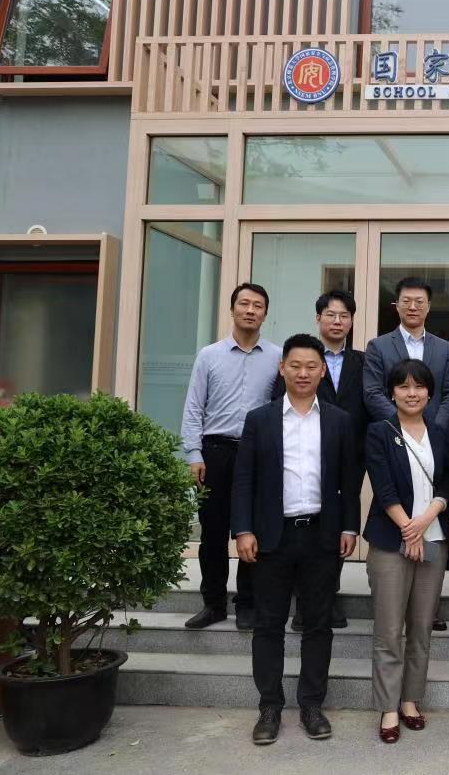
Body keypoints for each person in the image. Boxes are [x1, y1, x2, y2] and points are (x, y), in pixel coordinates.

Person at [231, 333, 360, 745]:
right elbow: (244, 479)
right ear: (282, 368)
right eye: (295, 366)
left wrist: (349, 527)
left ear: (322, 372)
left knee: (318, 625)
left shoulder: (339, 420)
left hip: (322, 536)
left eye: (311, 367)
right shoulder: (260, 419)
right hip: (272, 537)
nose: (303, 373)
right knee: (268, 625)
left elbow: (349, 481)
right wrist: (243, 529)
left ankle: (311, 705)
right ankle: (269, 707)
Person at [181, 283, 281, 631]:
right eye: (244, 304)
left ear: (265, 314)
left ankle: (247, 602)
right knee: (213, 530)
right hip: (215, 451)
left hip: (257, 453)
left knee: (253, 527)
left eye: (258, 305)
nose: (250, 310)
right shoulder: (209, 355)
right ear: (232, 308)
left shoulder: (277, 357)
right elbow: (194, 407)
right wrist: (194, 453)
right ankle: (213, 603)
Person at [363, 359, 449, 744]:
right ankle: (388, 707)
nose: (411, 393)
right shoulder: (379, 432)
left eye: (419, 386)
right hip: (390, 541)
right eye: (403, 386)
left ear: (430, 393)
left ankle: (410, 700)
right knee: (389, 629)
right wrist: (408, 528)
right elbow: (383, 487)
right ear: (392, 392)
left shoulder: (441, 432)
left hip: (433, 540)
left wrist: (425, 521)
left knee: (421, 627)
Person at [272, 290, 367, 631]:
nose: (337, 321)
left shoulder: (364, 361)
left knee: (337, 523)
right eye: (330, 314)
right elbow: (278, 401)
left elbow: (371, 404)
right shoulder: (302, 359)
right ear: (318, 318)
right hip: (306, 451)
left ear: (352, 321)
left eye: (344, 315)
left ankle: (327, 594)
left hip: (351, 455)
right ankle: (303, 604)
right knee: (307, 523)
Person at [364, 276, 449, 429]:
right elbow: (372, 393)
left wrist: (436, 427)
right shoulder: (378, 346)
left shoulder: (443, 347)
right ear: (397, 305)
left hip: (434, 432)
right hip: (393, 432)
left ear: (428, 306)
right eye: (406, 301)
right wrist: (403, 425)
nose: (413, 307)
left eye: (419, 302)